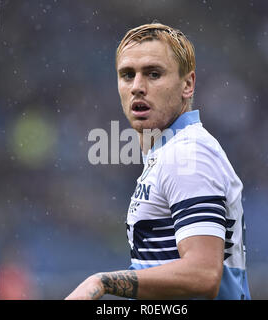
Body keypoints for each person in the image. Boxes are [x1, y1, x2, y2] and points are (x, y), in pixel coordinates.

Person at [65, 23, 250, 300]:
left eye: (153, 74)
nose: (138, 87)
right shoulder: (165, 154)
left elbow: (203, 274)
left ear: (187, 85)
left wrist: (102, 282)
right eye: (127, 75)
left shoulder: (188, 153)